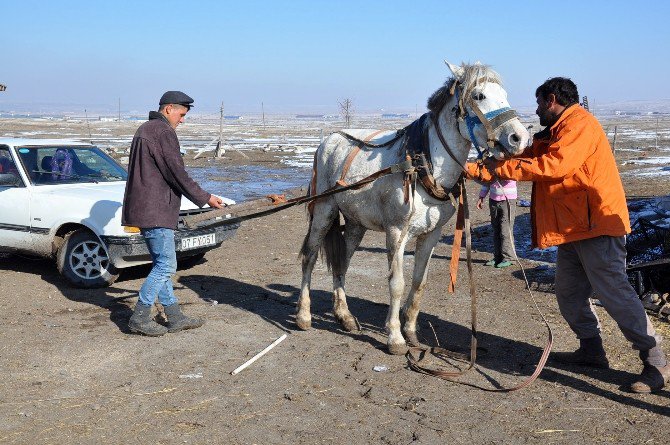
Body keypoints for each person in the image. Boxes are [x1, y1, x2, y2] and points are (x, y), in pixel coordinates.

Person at [466, 77, 669, 393]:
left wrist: (500, 169)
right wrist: (479, 168)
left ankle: (655, 362)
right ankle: (591, 350)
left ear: (550, 100)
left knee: (615, 293)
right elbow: (527, 156)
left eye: (537, 104)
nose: (535, 111)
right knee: (569, 293)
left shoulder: (579, 125)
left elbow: (553, 166)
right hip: (574, 228)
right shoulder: (555, 130)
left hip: (596, 226)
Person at [122, 91, 224, 337]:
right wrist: (205, 197)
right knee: (167, 266)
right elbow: (177, 173)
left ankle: (175, 317)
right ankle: (140, 316)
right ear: (168, 109)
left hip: (147, 208)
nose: (182, 120)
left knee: (161, 264)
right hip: (155, 209)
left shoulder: (145, 129)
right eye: (182, 114)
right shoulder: (163, 132)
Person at [476, 179, 517, 268]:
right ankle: (497, 257)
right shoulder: (491, 165)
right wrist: (481, 196)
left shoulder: (508, 165)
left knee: (505, 231)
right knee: (496, 230)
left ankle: (509, 258)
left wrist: (498, 174)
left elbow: (510, 178)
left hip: (508, 200)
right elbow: (486, 180)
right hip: (493, 200)